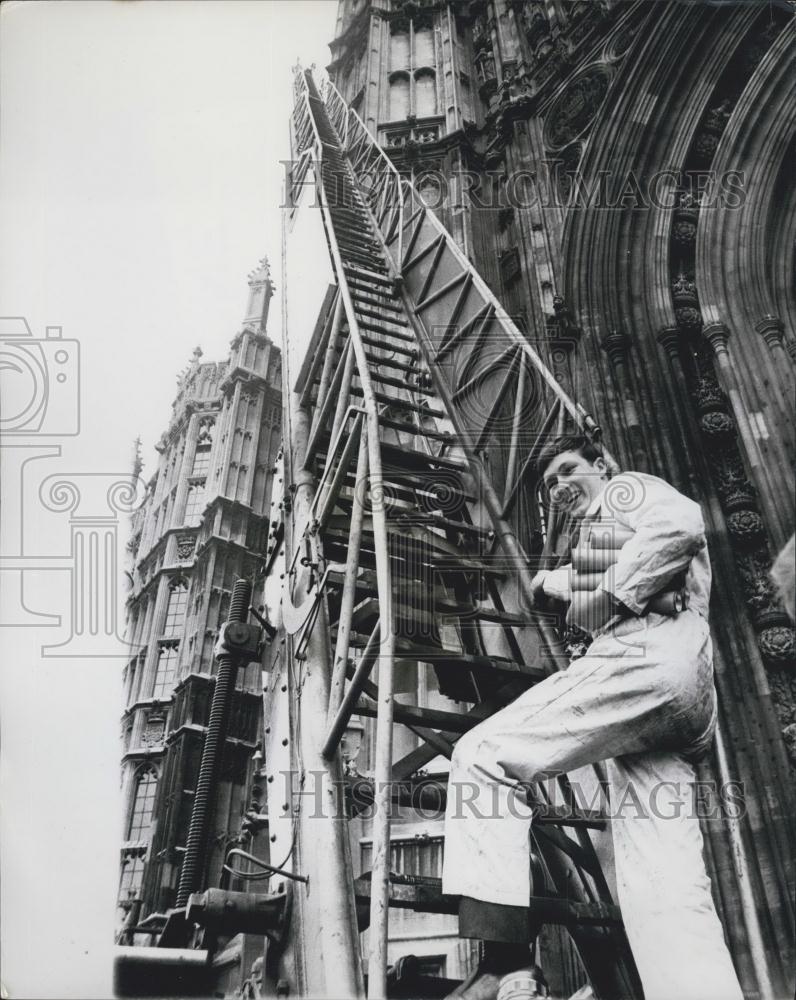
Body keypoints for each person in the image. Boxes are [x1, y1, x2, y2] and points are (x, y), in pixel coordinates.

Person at [442, 436, 743, 1000]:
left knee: (484, 756)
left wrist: (606, 596)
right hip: (683, 695)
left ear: (602, 466)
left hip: (644, 660)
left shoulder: (625, 492)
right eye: (550, 483)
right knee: (661, 881)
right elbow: (586, 584)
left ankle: (504, 959)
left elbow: (682, 525)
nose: (559, 487)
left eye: (568, 469)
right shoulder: (601, 534)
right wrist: (554, 583)